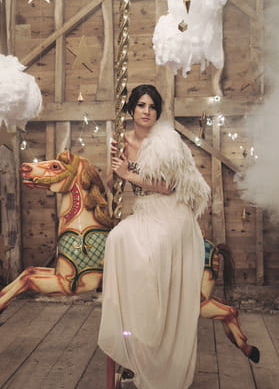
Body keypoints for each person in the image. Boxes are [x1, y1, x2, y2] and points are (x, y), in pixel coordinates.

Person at [98, 84, 211, 389]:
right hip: (145, 210)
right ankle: (132, 319)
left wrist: (128, 173)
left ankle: (154, 324)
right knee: (118, 238)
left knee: (153, 248)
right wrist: (113, 166)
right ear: (131, 109)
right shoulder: (122, 141)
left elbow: (170, 186)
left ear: (157, 112)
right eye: (141, 106)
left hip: (171, 212)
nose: (147, 112)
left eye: (152, 107)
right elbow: (111, 185)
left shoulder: (166, 140)